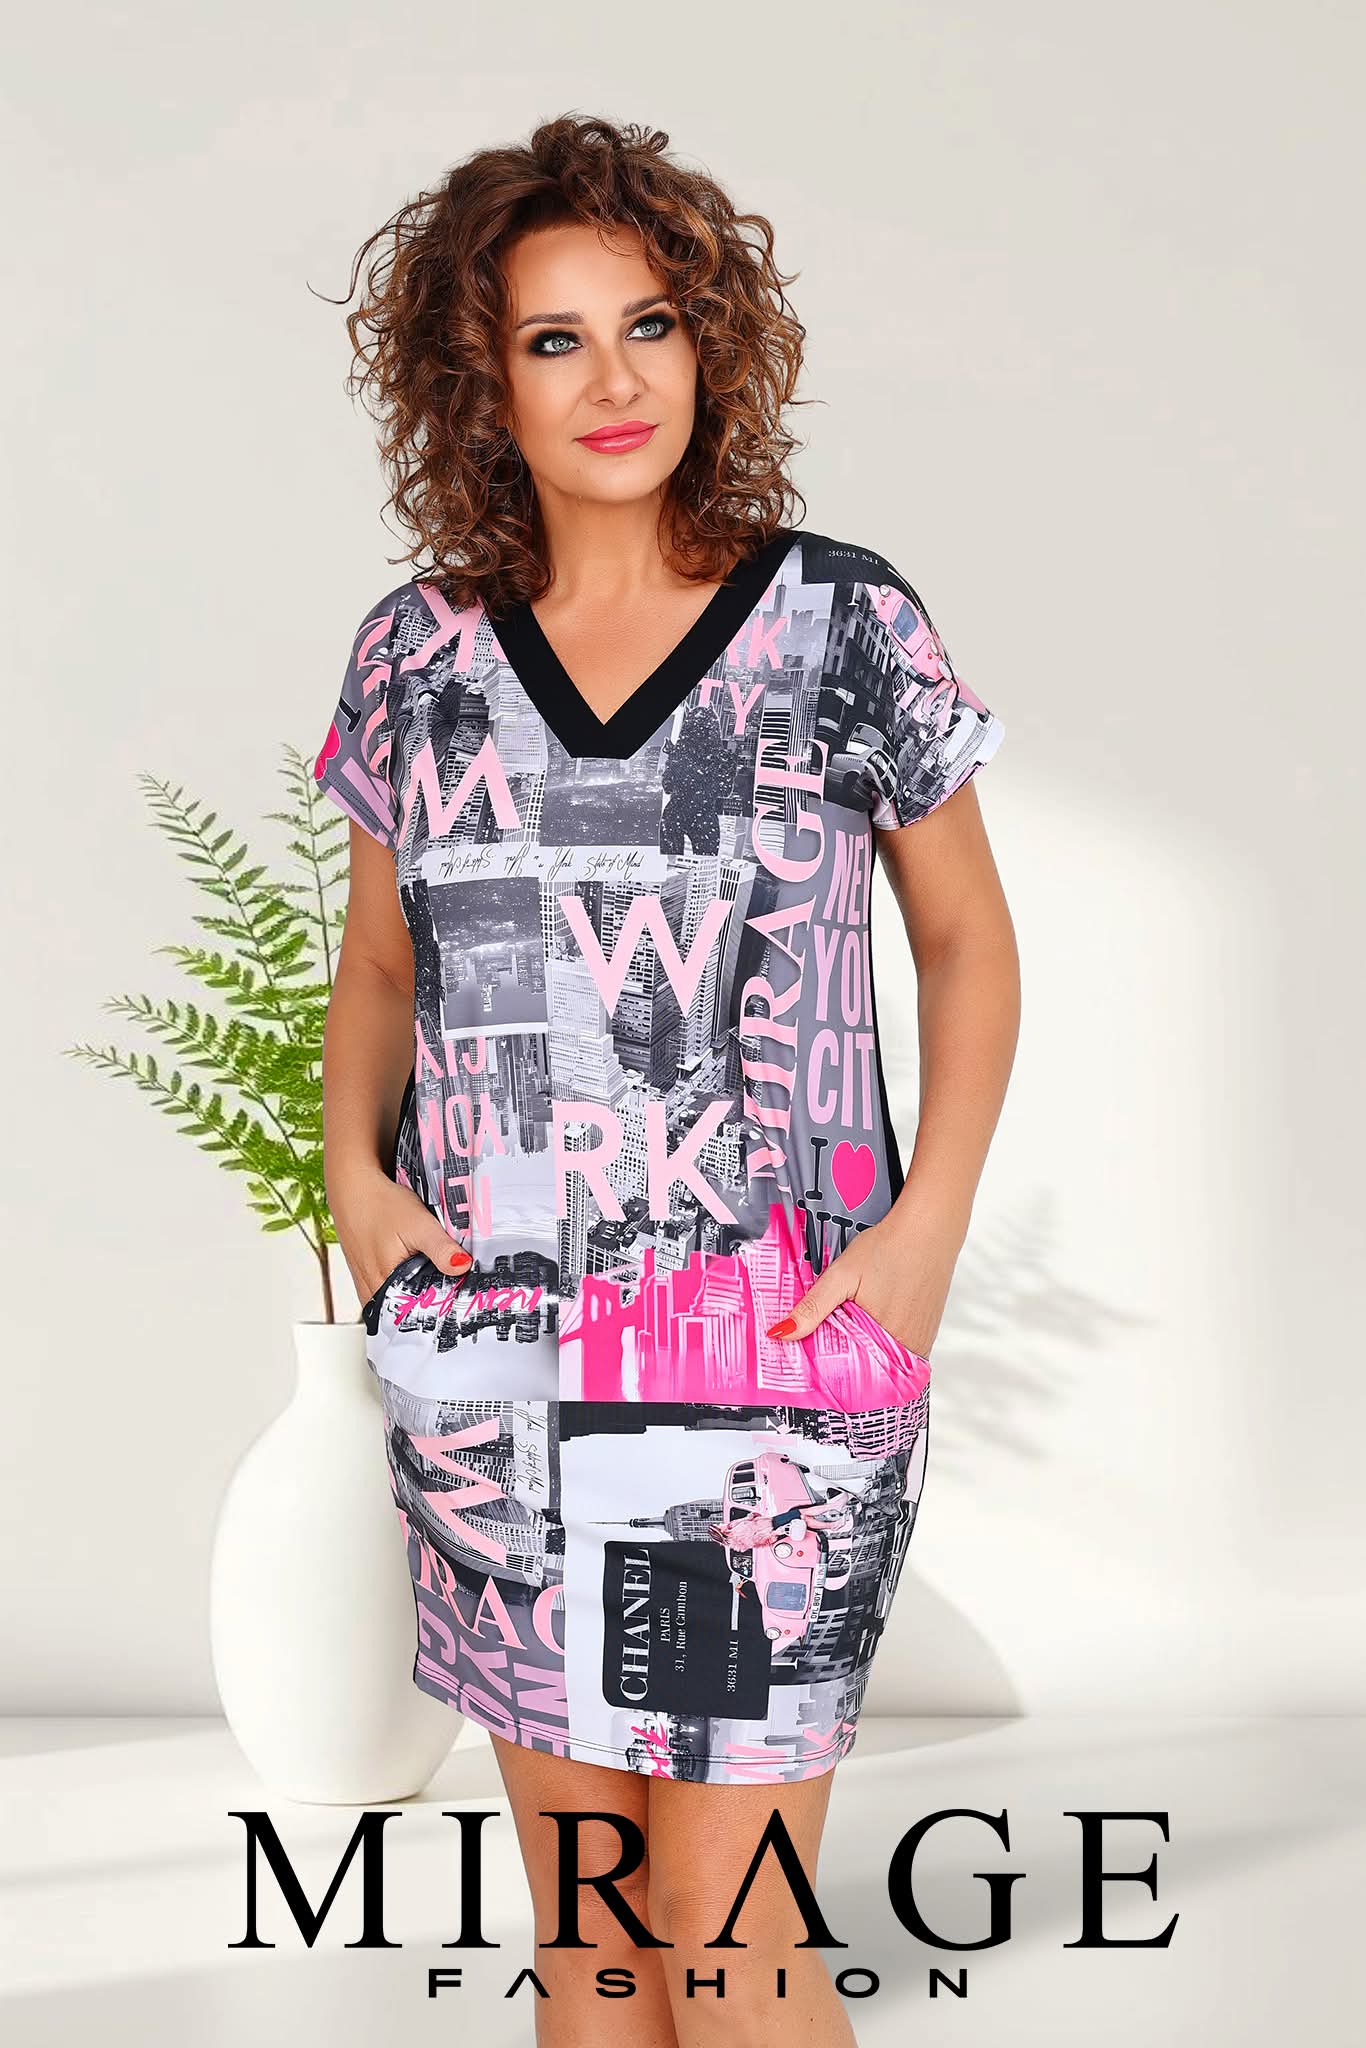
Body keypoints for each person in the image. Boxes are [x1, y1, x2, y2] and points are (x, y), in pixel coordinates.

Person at [315, 113, 1020, 2048]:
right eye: (552, 339)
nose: (612, 379)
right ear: (482, 382)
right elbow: (380, 965)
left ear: (712, 344)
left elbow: (966, 943)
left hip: (770, 1356)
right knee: (594, 1945)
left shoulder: (840, 624)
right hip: (497, 1370)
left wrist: (920, 1239)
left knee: (731, 1942)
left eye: (648, 324)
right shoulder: (415, 659)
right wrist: (357, 1184)